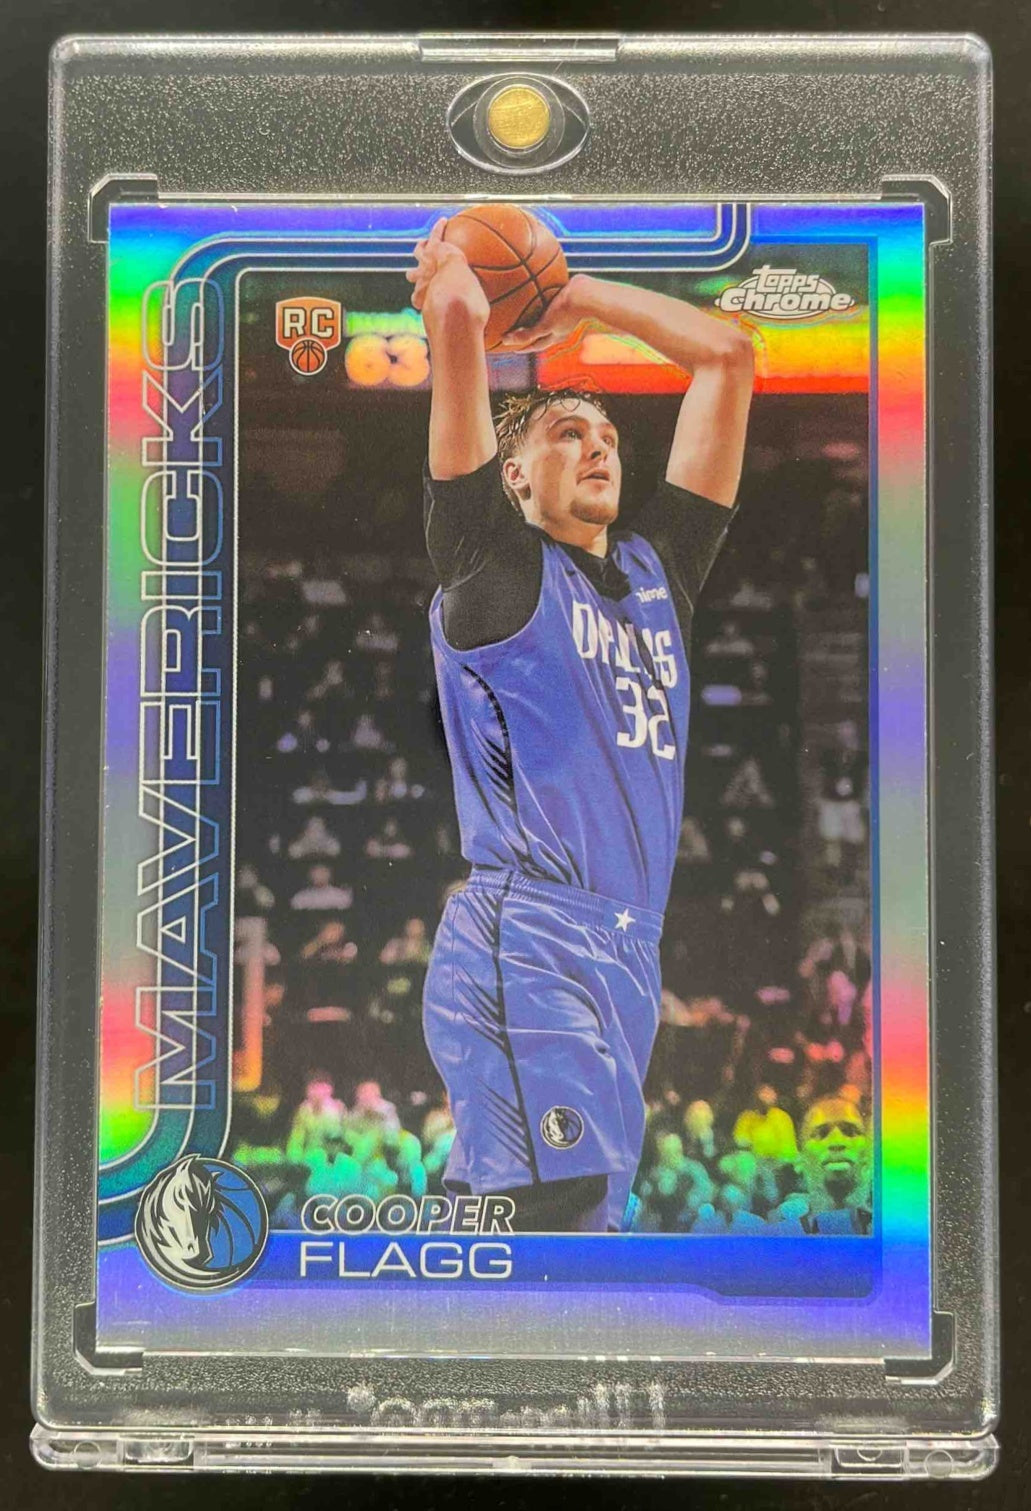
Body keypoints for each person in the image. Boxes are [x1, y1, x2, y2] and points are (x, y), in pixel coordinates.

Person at [408, 216, 754, 1232]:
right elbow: (459, 325)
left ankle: (427, 1317)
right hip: (531, 932)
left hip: (626, 944)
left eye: (606, 436)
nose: (598, 444)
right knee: (555, 1209)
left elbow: (726, 357)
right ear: (514, 477)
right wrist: (459, 297)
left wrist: (582, 297)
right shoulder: (495, 564)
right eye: (566, 432)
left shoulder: (654, 573)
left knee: (571, 1217)